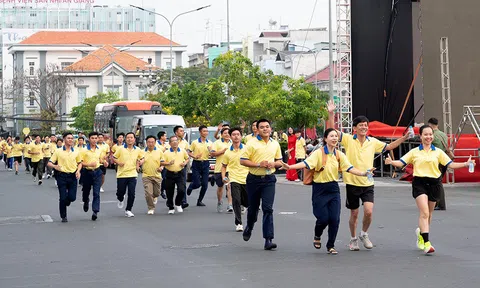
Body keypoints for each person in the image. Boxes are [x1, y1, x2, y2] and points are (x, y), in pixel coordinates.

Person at [326, 100, 410, 251]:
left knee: (369, 212)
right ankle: (353, 239)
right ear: (355, 128)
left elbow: (389, 146)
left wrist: (404, 138)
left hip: (368, 182)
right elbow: (332, 131)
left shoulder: (373, 141)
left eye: (366, 125)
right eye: (361, 125)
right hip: (352, 181)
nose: (364, 127)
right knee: (355, 213)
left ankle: (364, 234)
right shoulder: (347, 139)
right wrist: (331, 113)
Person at [385, 124, 476, 254]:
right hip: (419, 183)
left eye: (430, 134)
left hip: (434, 183)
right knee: (424, 212)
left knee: (429, 214)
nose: (428, 137)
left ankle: (421, 234)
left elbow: (450, 164)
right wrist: (392, 162)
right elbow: (401, 162)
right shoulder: (414, 152)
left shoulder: (438, 152)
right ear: (420, 136)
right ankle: (427, 243)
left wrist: (465, 164)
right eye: (425, 134)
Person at [282, 128, 373, 254]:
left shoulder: (339, 154)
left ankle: (331, 245)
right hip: (320, 189)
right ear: (325, 139)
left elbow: (349, 168)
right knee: (323, 218)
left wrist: (363, 173)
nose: (335, 138)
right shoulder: (318, 153)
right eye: (332, 136)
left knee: (335, 219)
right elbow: (306, 164)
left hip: (333, 189)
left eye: (336, 136)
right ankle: (317, 235)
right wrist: (290, 167)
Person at [240, 119, 284, 250]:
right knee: (253, 209)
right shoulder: (251, 143)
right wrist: (259, 164)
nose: (265, 129)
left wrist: (274, 164)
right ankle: (249, 226)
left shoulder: (275, 144)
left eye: (267, 127)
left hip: (269, 179)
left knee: (268, 208)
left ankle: (268, 239)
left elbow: (279, 161)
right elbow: (243, 160)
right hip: (254, 179)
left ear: (271, 129)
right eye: (262, 127)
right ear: (257, 129)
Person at [48, 132, 82, 223]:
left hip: (72, 176)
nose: (71, 140)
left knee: (72, 197)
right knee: (62, 197)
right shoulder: (58, 151)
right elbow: (49, 162)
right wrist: (55, 166)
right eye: (68, 138)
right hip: (61, 176)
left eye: (72, 138)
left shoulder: (76, 151)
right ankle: (63, 216)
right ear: (64, 139)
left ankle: (67, 201)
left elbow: (79, 163)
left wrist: (78, 171)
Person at [222, 127, 249, 232]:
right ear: (230, 136)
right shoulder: (228, 152)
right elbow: (224, 166)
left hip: (247, 178)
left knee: (247, 202)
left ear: (241, 136)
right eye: (233, 134)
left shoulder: (247, 149)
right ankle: (239, 223)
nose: (236, 136)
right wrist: (224, 177)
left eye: (238, 134)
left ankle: (244, 205)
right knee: (236, 200)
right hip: (233, 178)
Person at [113, 132, 144, 217]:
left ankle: (128, 209)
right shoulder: (121, 149)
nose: (130, 139)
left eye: (131, 138)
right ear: (125, 139)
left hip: (133, 174)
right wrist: (119, 162)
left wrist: (140, 162)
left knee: (131, 193)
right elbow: (114, 158)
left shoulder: (137, 149)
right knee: (121, 192)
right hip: (122, 174)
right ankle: (120, 198)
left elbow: (142, 158)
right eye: (128, 138)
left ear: (134, 139)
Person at [80, 132, 108, 221]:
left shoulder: (99, 149)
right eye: (93, 138)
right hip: (87, 172)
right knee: (86, 191)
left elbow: (100, 159)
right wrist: (89, 164)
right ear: (89, 139)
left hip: (97, 172)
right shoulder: (84, 150)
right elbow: (80, 162)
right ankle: (86, 201)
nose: (95, 140)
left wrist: (104, 162)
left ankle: (95, 211)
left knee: (96, 193)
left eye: (96, 138)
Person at [161, 135, 190, 214]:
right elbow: (161, 162)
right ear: (170, 143)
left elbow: (187, 158)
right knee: (169, 191)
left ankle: (178, 203)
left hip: (180, 173)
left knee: (182, 189)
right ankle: (171, 207)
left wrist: (184, 163)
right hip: (169, 173)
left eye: (176, 141)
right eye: (172, 141)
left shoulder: (182, 151)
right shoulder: (166, 152)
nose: (174, 142)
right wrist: (168, 163)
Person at [187, 125, 212, 207]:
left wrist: (211, 152)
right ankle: (191, 186)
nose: (206, 133)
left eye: (207, 131)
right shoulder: (195, 142)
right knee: (197, 183)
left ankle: (200, 200)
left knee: (205, 184)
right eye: (204, 131)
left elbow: (212, 154)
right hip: (196, 163)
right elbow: (189, 152)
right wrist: (194, 156)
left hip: (205, 163)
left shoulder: (210, 143)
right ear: (200, 132)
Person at [427, 117, 449, 211]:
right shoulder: (443, 134)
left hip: (436, 162)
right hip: (444, 160)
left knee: (437, 183)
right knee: (438, 182)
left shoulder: (432, 136)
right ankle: (437, 203)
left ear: (430, 125)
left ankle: (440, 204)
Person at [210, 127, 233, 213]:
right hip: (219, 169)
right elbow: (212, 154)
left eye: (228, 133)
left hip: (230, 169)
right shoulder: (217, 143)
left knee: (229, 186)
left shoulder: (233, 143)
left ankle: (230, 204)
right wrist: (222, 151)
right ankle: (219, 201)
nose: (227, 135)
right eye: (225, 133)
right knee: (220, 187)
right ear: (222, 134)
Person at [142, 135, 164, 215]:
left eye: (152, 142)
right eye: (149, 142)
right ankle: (151, 208)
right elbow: (138, 161)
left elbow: (163, 162)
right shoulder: (142, 152)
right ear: (146, 143)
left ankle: (155, 197)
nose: (150, 144)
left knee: (157, 193)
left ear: (155, 143)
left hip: (157, 176)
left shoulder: (159, 151)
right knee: (148, 193)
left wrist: (161, 167)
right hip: (146, 175)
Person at [174, 125, 190, 209]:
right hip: (171, 167)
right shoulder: (171, 142)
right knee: (171, 186)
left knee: (182, 184)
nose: (182, 132)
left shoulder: (185, 142)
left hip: (182, 167)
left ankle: (183, 201)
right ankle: (170, 200)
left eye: (183, 131)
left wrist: (187, 161)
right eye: (181, 131)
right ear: (176, 132)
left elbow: (188, 153)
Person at [156, 131, 169, 200]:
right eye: (165, 136)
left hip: (164, 164)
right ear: (161, 137)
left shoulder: (166, 144)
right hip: (157, 163)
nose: (166, 137)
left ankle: (162, 191)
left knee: (164, 178)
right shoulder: (156, 144)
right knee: (156, 178)